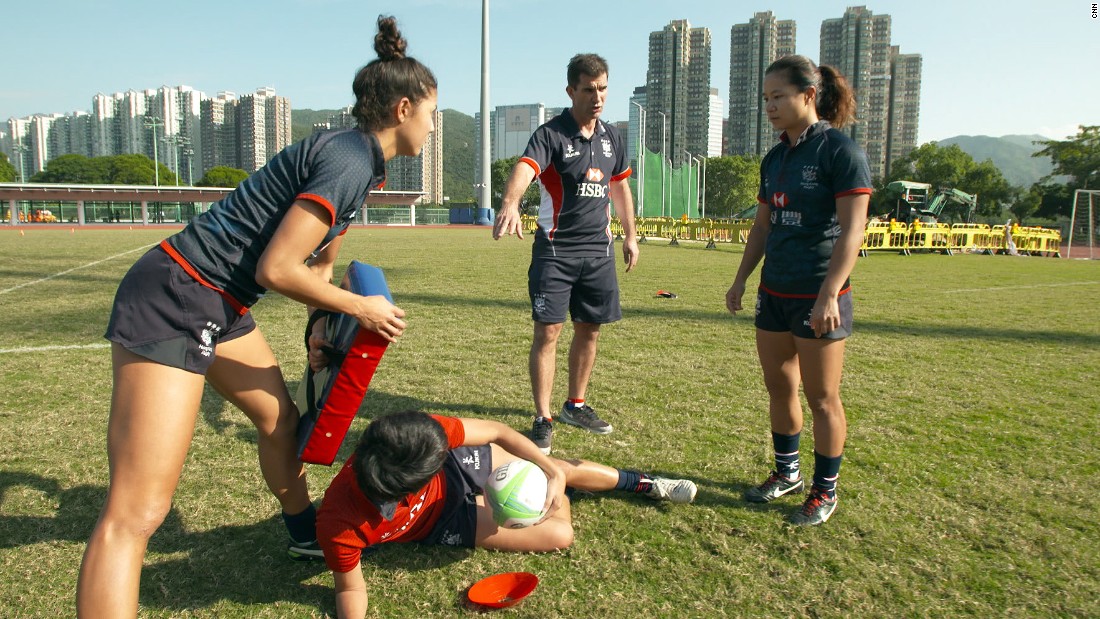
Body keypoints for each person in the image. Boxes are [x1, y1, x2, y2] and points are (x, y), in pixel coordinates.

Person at [76, 16, 435, 617]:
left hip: (217, 301)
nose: (432, 123)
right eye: (431, 111)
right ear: (404, 108)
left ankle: (301, 533)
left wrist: (324, 328)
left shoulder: (358, 165)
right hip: (179, 295)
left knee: (279, 418)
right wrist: (361, 308)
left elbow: (318, 263)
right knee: (136, 513)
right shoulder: (349, 159)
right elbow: (276, 269)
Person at [317, 410, 696, 618]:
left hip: (462, 469)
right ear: (407, 488)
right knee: (559, 536)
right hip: (443, 522)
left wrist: (549, 471)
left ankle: (640, 482)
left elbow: (497, 432)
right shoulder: (340, 525)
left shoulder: (414, 434)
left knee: (556, 467)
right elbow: (350, 588)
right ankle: (539, 495)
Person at [725, 55, 871, 527]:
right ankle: (786, 472)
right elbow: (763, 228)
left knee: (822, 397)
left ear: (808, 96)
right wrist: (742, 278)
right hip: (775, 292)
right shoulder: (775, 157)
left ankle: (823, 491)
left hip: (818, 294)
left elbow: (853, 232)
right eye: (766, 98)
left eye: (778, 96)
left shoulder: (840, 151)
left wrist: (830, 293)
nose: (770, 105)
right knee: (779, 386)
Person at [492, 53, 639, 455]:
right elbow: (525, 168)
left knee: (590, 328)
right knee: (549, 332)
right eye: (589, 89)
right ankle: (543, 417)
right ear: (571, 90)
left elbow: (620, 188)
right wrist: (510, 202)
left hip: (599, 252)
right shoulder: (550, 134)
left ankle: (576, 404)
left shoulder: (612, 137)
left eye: (604, 88)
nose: (598, 97)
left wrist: (631, 235)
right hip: (556, 252)